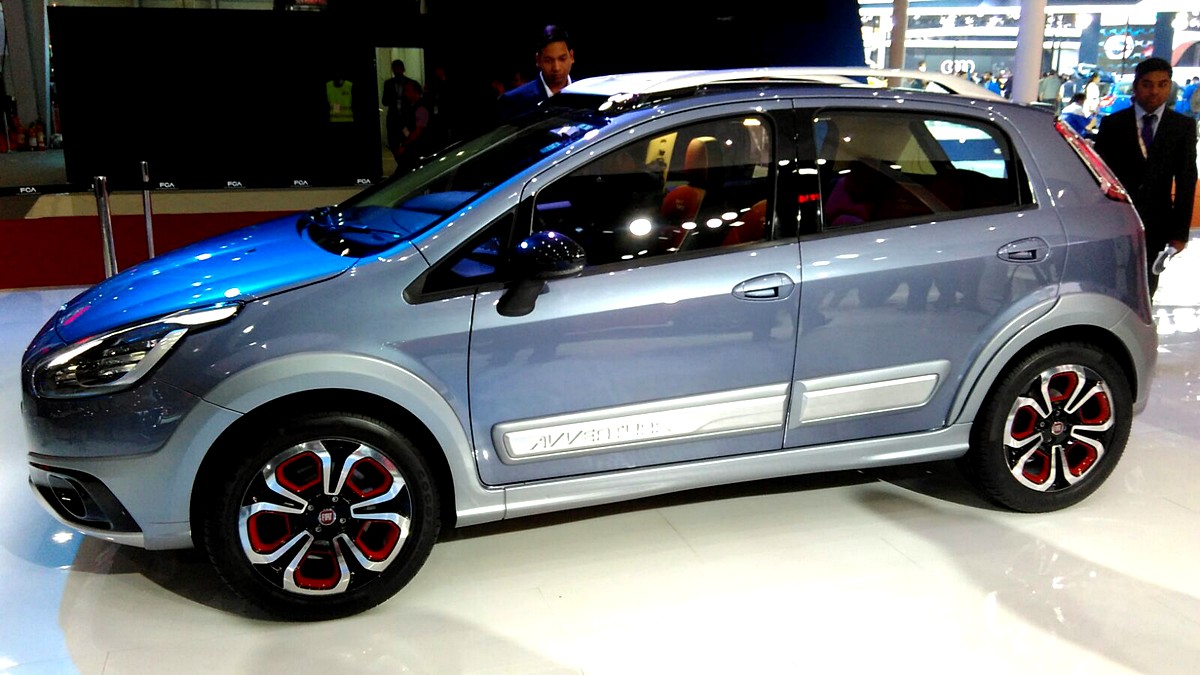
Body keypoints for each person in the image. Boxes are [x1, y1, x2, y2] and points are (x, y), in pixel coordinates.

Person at [1094, 57, 1198, 299]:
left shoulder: (1182, 126)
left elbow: (1186, 180)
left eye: (1162, 84)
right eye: (1147, 84)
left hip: (1157, 220)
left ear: (1170, 86)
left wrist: (1180, 233)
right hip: (1115, 218)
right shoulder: (1113, 124)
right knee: (1109, 283)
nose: (1154, 91)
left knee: (1146, 285)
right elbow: (1099, 174)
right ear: (1136, 85)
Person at [496, 24, 575, 121]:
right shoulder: (514, 101)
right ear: (538, 60)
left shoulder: (586, 92)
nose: (556, 68)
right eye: (548, 61)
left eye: (562, 59)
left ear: (571, 56)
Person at [392, 79, 435, 172]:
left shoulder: (421, 108)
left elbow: (418, 131)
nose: (405, 94)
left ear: (415, 92)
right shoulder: (412, 107)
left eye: (407, 91)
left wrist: (405, 145)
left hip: (417, 148)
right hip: (413, 146)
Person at [381, 60, 420, 163]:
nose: (397, 72)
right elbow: (384, 101)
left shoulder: (410, 83)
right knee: (393, 142)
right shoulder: (388, 84)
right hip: (393, 117)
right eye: (395, 69)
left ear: (403, 69)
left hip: (405, 116)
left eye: (398, 69)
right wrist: (394, 99)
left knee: (406, 140)